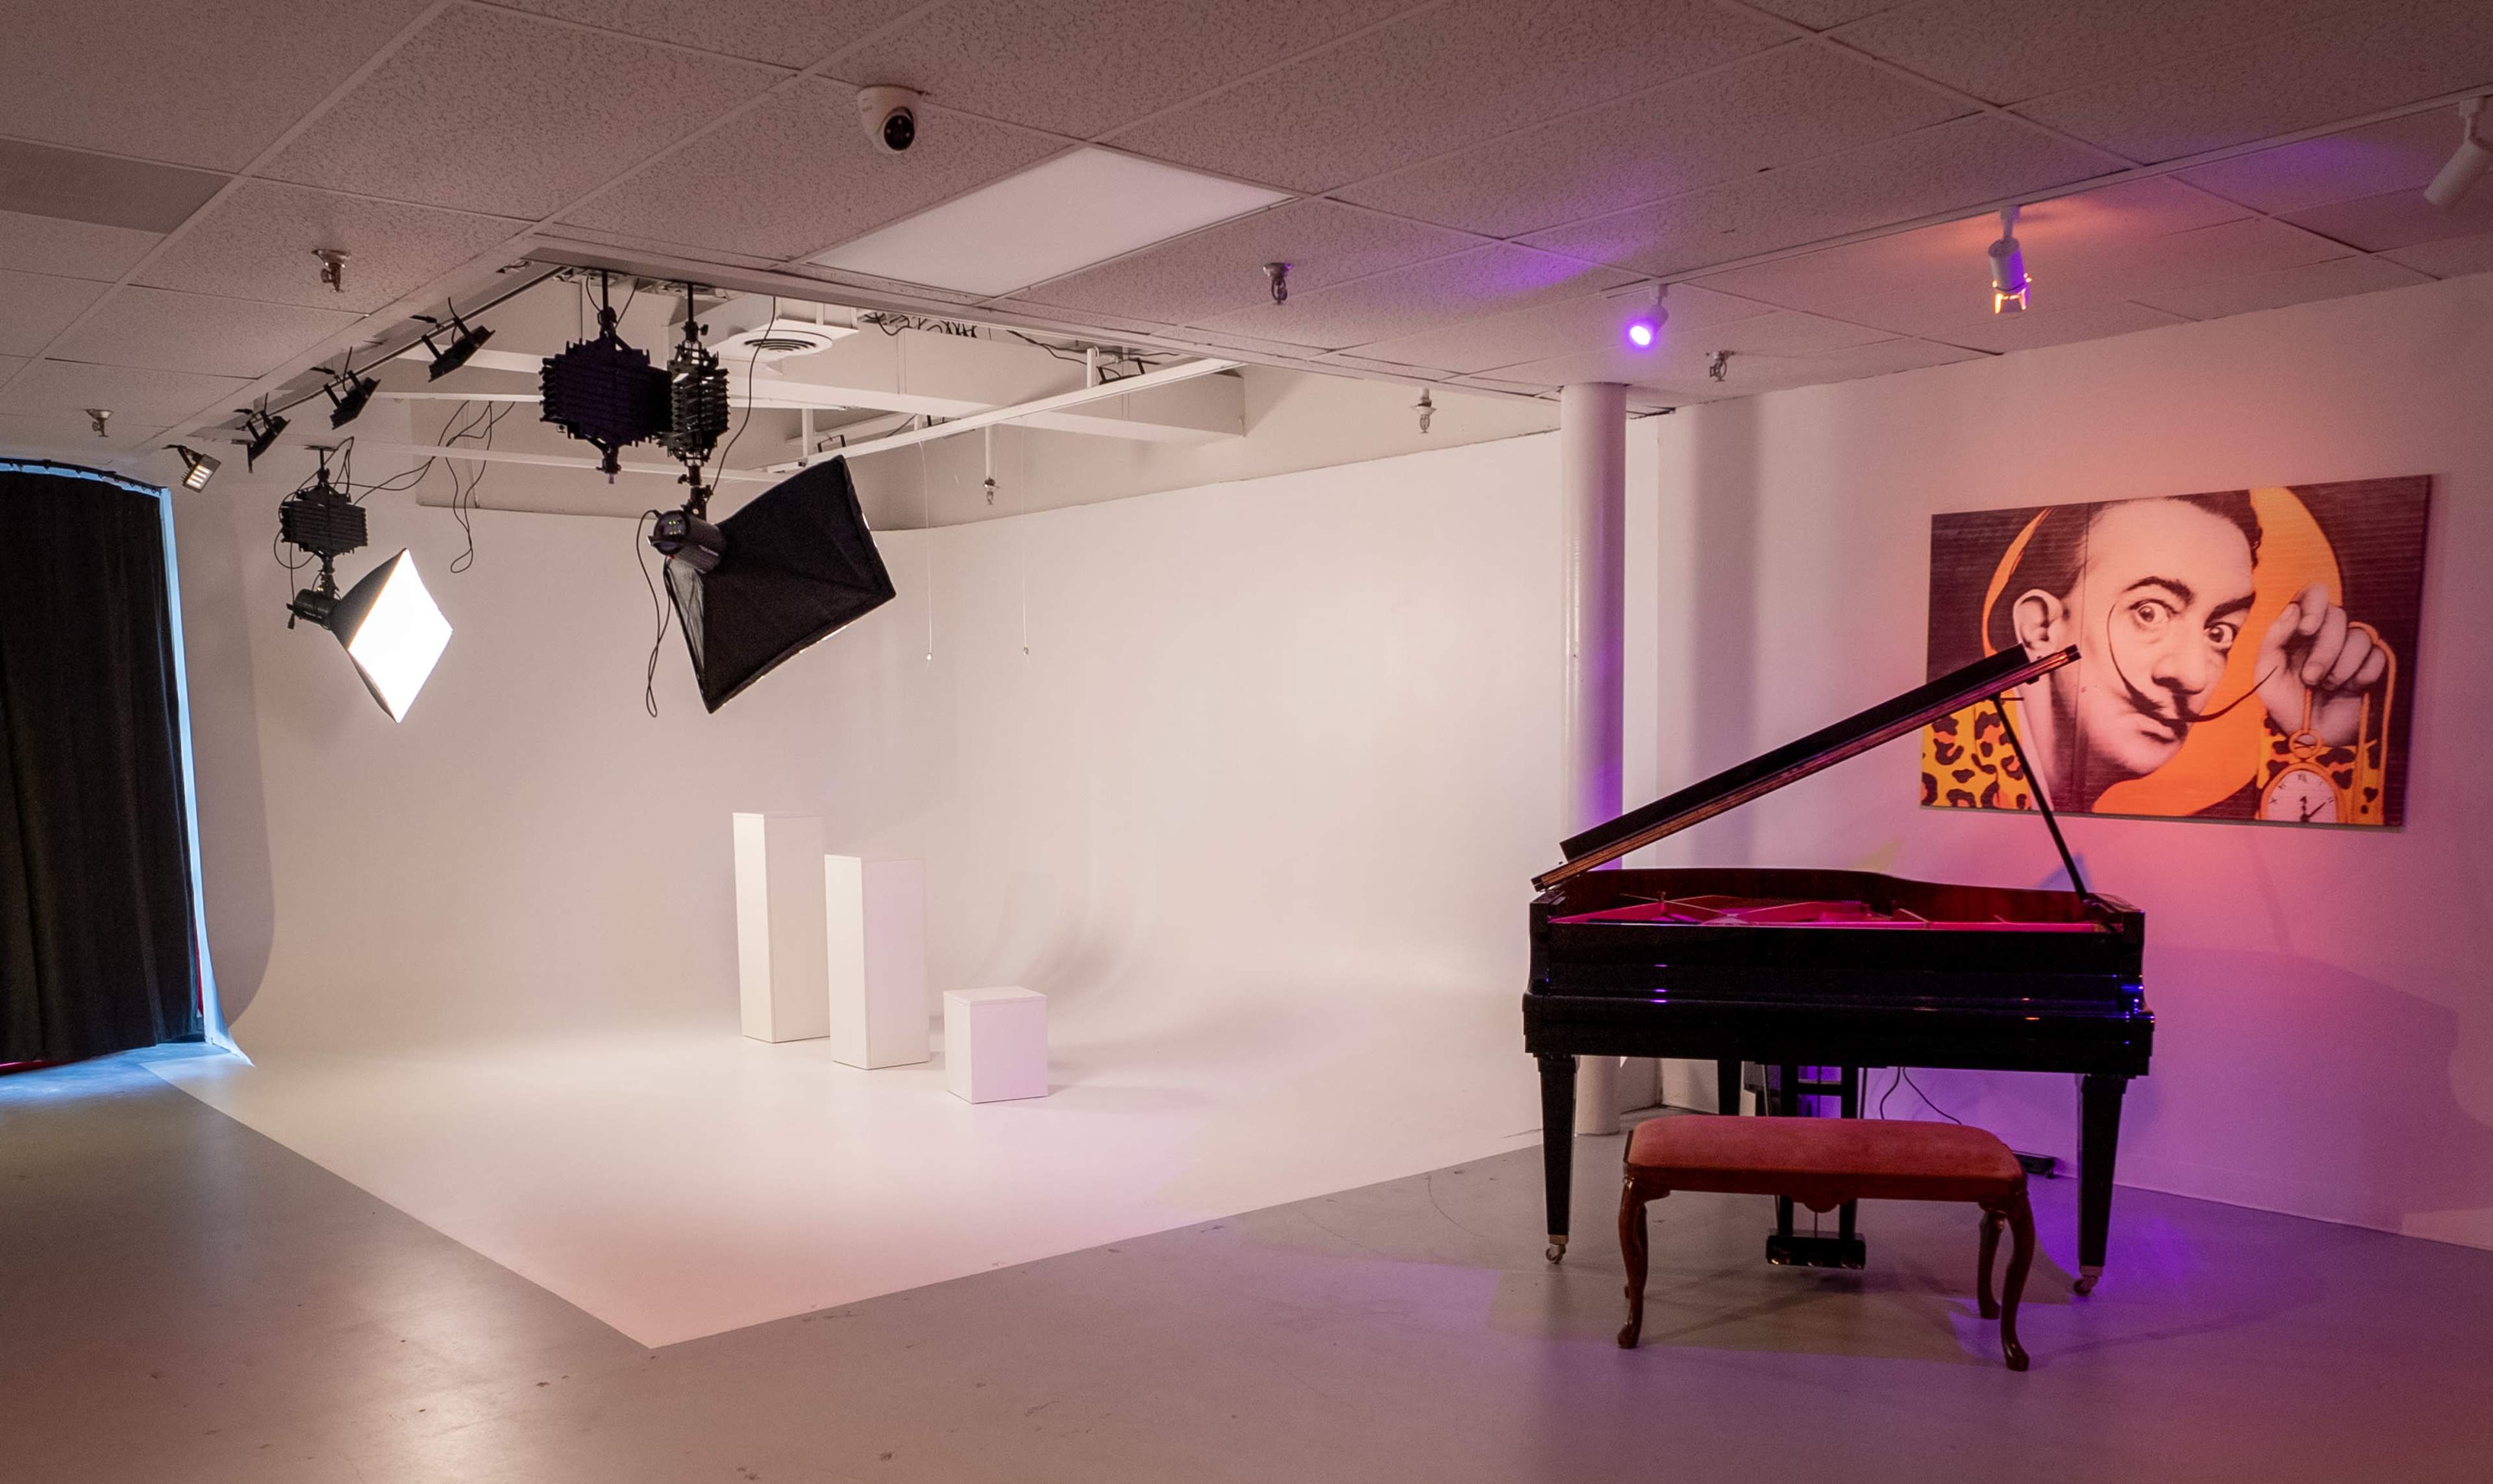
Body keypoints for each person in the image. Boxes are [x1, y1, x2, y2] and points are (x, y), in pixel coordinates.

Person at [1939, 493, 2388, 817]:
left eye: (2218, 632)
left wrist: (2314, 740)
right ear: (2040, 628)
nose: (2192, 676)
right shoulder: (1949, 784)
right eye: (2150, 612)